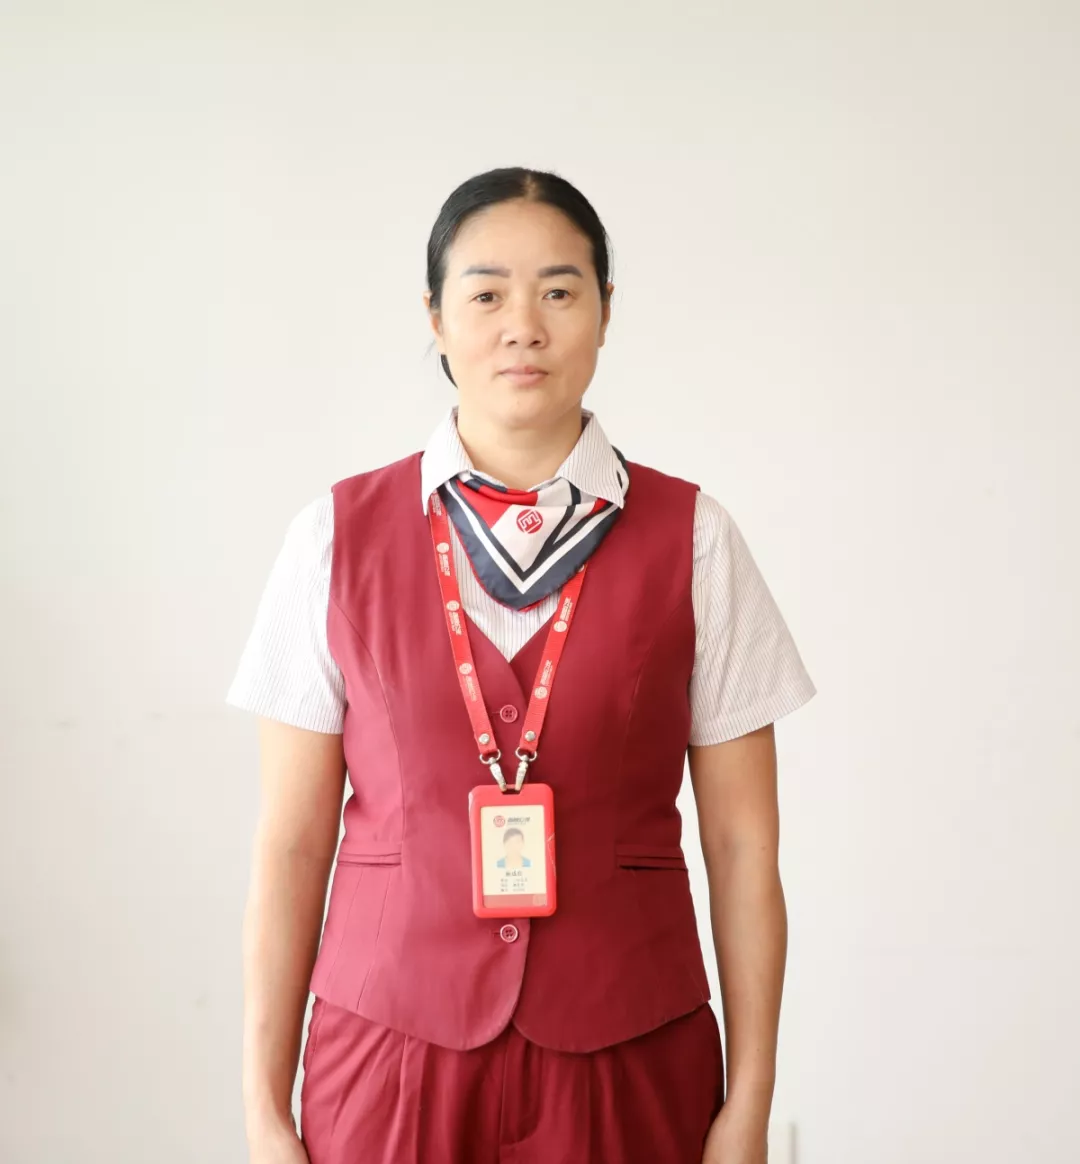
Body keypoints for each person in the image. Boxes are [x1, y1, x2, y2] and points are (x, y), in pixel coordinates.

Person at [227, 166, 816, 1164]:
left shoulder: (696, 539)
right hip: (387, 1056)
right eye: (487, 294)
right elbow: (290, 844)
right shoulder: (333, 537)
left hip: (629, 1051)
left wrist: (748, 1102)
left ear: (605, 311)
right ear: (436, 316)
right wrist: (262, 1111)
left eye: (558, 291)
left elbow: (743, 846)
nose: (523, 327)